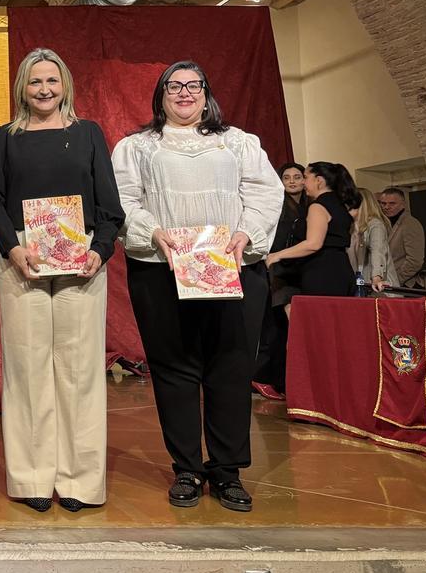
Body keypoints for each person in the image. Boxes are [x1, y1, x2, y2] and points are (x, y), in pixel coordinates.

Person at [111, 61, 281, 514]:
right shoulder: (135, 148)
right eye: (174, 86)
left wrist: (247, 233)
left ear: (206, 93)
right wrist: (150, 230)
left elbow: (266, 193)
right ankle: (186, 468)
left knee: (229, 368)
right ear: (161, 94)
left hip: (233, 265)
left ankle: (227, 471)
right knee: (174, 369)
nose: (184, 93)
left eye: (193, 85)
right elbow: (122, 200)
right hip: (161, 269)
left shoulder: (239, 142)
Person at [0, 48, 124, 514]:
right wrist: (13, 249)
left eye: (52, 81)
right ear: (22, 87)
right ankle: (32, 478)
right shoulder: (4, 137)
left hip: (80, 258)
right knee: (27, 370)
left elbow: (109, 205)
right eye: (35, 81)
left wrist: (99, 251)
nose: (44, 89)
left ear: (65, 85)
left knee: (80, 372)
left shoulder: (88, 134)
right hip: (22, 258)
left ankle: (80, 480)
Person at [267, 161, 358, 308]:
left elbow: (313, 243)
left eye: (305, 177)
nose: (303, 182)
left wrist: (276, 255)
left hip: (322, 272)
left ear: (319, 181)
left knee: (319, 322)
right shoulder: (341, 205)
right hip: (342, 269)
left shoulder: (318, 206)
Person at [252, 162, 307, 399]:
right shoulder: (276, 204)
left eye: (297, 177)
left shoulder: (312, 206)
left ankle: (290, 380)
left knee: (295, 330)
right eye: (287, 177)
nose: (293, 181)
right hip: (278, 271)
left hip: (303, 270)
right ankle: (266, 378)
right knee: (275, 327)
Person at [349, 186, 399, 291]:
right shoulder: (351, 226)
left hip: (377, 286)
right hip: (361, 283)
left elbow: (378, 250)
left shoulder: (375, 224)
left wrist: (376, 277)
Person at [379, 187, 426, 289]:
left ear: (403, 204)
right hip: (388, 284)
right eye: (383, 203)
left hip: (407, 285)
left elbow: (415, 261)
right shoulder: (383, 223)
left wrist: (395, 280)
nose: (386, 207)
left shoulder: (410, 224)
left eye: (392, 203)